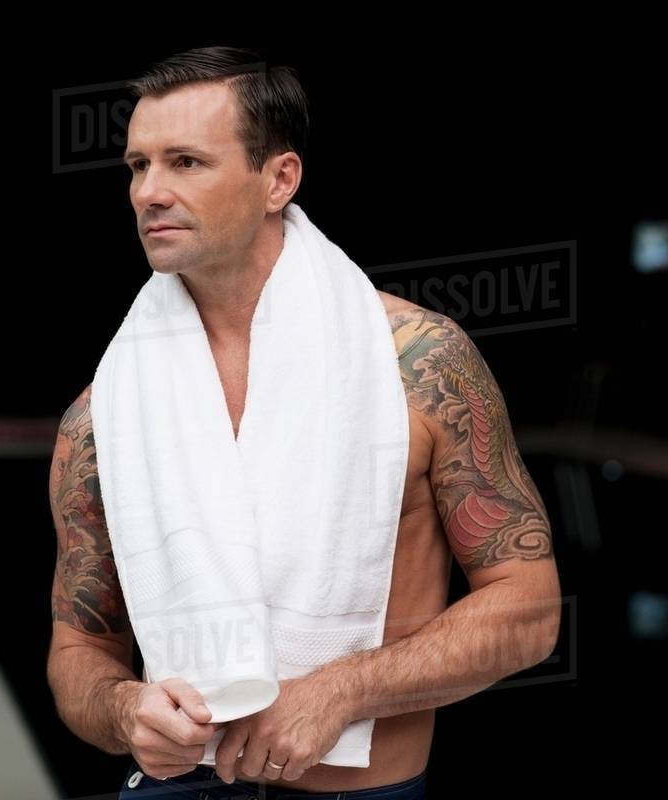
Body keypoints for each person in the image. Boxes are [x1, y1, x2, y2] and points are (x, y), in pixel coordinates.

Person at [46, 46, 561, 798]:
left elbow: (531, 608)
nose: (148, 192)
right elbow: (78, 647)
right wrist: (125, 709)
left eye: (185, 162)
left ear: (278, 179)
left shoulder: (416, 364)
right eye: (137, 165)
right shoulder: (104, 412)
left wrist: (340, 691)